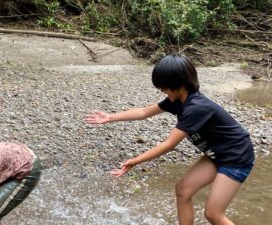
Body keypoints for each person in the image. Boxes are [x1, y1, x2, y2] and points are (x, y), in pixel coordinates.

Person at [85, 54, 254, 225]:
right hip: (217, 153)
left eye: (164, 87)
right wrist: (110, 117)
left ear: (178, 83)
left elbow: (169, 144)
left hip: (236, 157)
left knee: (213, 213)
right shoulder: (177, 100)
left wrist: (135, 161)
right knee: (182, 191)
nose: (162, 90)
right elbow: (144, 112)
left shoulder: (196, 108)